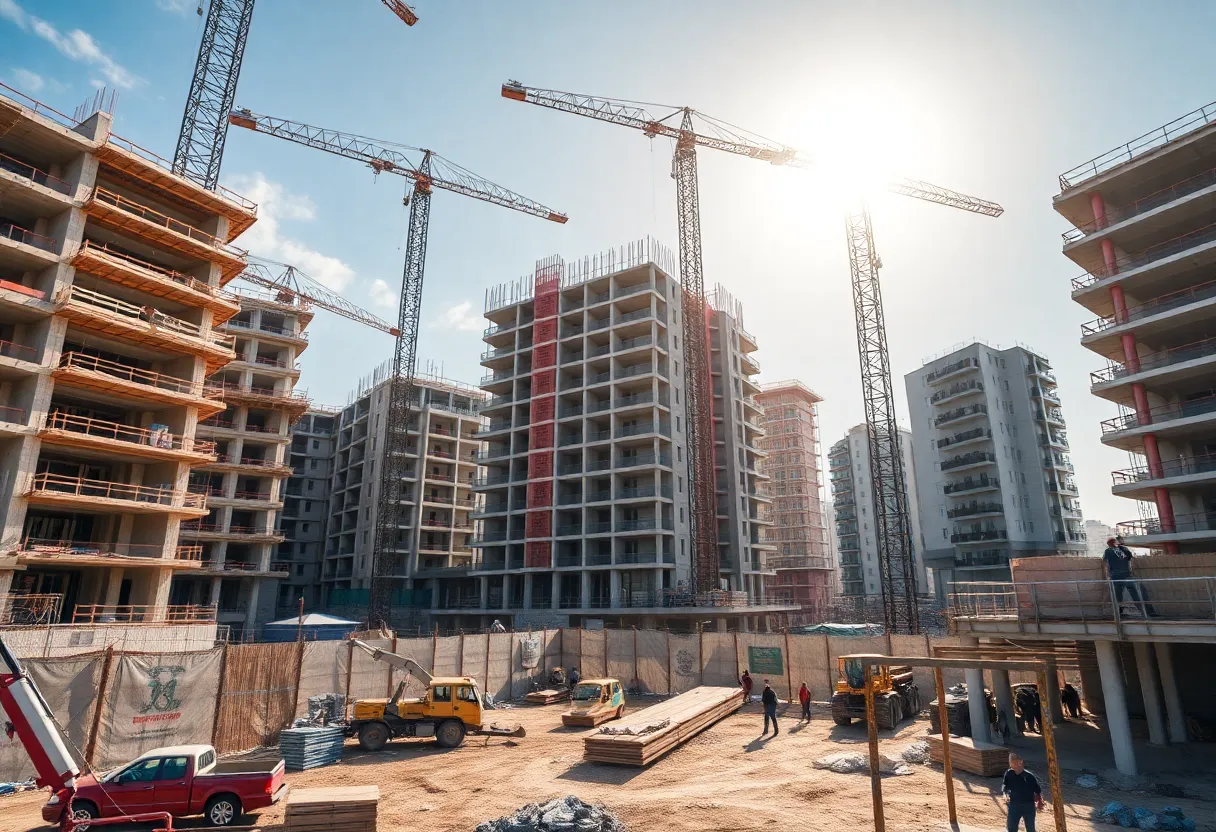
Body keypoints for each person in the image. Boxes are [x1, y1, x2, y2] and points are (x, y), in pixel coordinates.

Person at [1103, 536, 1147, 616]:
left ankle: (1119, 614)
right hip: (1126, 575)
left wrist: (1107, 577)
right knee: (1135, 594)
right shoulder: (1124, 549)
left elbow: (1106, 565)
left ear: (1109, 544)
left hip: (1116, 577)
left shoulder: (1108, 551)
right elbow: (1131, 560)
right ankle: (1143, 612)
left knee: (1118, 596)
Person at [1002, 752, 1044, 832]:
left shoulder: (1029, 776)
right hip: (1014, 805)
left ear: (1021, 763)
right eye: (1011, 763)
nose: (1012, 765)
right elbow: (1005, 786)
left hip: (1028, 806)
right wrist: (1005, 794)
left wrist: (1039, 801)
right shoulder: (1008, 774)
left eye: (1014, 762)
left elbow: (1038, 791)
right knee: (1011, 828)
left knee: (1030, 829)